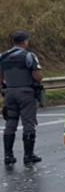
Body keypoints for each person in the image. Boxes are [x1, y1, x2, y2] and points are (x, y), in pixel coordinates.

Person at [1, 31, 43, 167]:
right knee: (28, 123)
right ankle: (28, 155)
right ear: (25, 41)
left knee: (10, 122)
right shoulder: (29, 56)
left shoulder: (2, 56)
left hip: (9, 92)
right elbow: (37, 76)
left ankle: (8, 155)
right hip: (25, 92)